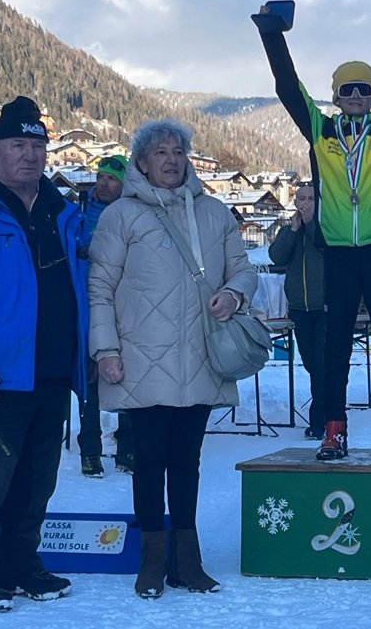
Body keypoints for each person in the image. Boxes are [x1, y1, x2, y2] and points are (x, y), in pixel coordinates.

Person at [88, 119, 257, 598]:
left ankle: (187, 561)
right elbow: (99, 288)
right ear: (141, 162)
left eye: (178, 151)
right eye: (160, 152)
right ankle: (152, 560)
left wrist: (233, 295)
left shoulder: (216, 213)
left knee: (188, 462)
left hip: (200, 356)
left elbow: (243, 271)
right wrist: (106, 350)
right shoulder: (119, 217)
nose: (171, 159)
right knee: (148, 462)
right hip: (140, 359)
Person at [254, 2, 371, 461]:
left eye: (363, 89)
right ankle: (333, 428)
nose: (355, 95)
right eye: (347, 89)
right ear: (336, 96)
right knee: (335, 348)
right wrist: (273, 35)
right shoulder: (322, 130)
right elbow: (288, 88)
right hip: (339, 254)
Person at [0, 96, 89, 612]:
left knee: (38, 477)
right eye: (18, 144)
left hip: (54, 367)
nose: (30, 155)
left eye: (37, 145)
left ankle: (20, 562)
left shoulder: (64, 213)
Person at [77, 154, 134, 478]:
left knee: (125, 375)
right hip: (87, 306)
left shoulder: (131, 212)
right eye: (100, 177)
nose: (103, 183)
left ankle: (127, 447)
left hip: (123, 305)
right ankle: (90, 450)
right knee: (91, 380)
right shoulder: (82, 210)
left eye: (111, 178)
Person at [268, 181, 326, 440]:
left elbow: (324, 247)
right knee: (312, 364)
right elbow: (276, 256)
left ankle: (321, 420)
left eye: (310, 198)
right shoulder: (289, 229)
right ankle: (326, 413)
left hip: (324, 306)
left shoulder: (325, 226)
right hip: (299, 309)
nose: (304, 203)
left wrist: (312, 223)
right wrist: (292, 230)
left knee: (323, 363)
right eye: (300, 198)